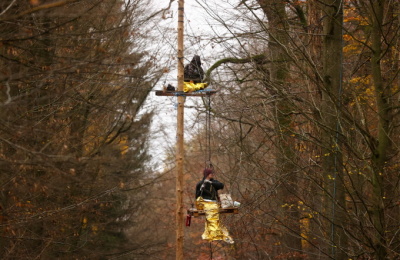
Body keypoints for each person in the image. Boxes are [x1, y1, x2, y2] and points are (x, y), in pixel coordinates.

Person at [195, 168, 234, 244]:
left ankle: (223, 235)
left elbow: (221, 185)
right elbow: (197, 196)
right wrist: (201, 189)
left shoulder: (214, 182)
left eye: (213, 173)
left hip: (214, 203)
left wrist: (210, 183)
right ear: (207, 174)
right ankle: (215, 235)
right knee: (212, 220)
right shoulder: (200, 183)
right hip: (206, 204)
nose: (212, 174)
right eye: (211, 173)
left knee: (217, 221)